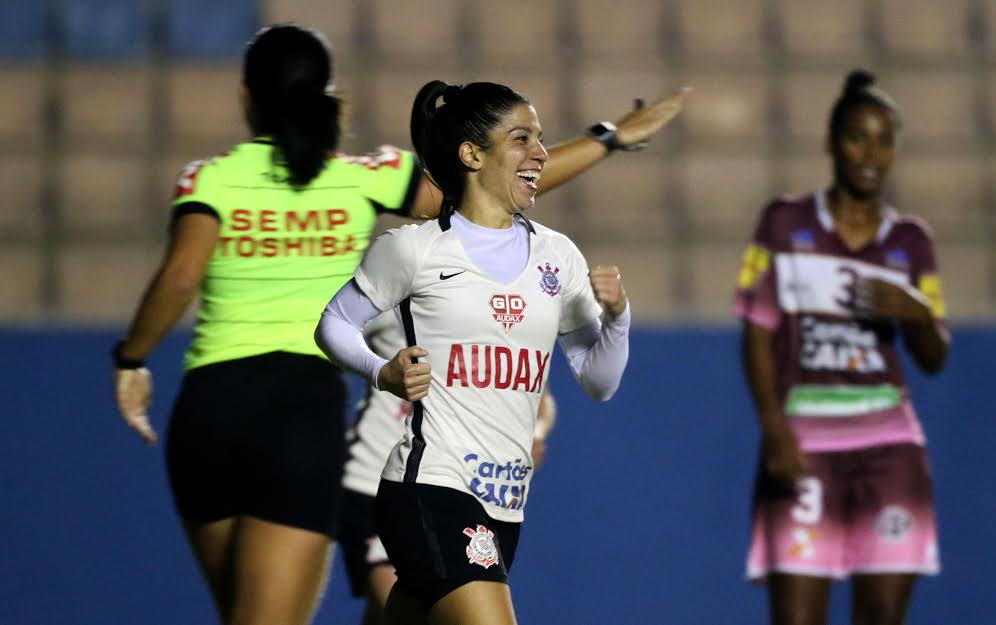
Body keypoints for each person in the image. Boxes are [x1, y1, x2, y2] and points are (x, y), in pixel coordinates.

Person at [110, 22, 686, 625]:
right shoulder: (363, 179)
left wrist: (131, 359)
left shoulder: (210, 178)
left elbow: (180, 277)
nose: (532, 155)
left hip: (211, 404)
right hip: (306, 415)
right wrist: (606, 139)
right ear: (329, 99)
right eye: (523, 142)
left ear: (247, 97)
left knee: (245, 612)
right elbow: (478, 194)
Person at [315, 79, 632, 625]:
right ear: (471, 154)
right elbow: (334, 324)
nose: (540, 154)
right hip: (429, 484)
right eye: (521, 138)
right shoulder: (415, 249)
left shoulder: (558, 256)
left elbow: (599, 381)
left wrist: (619, 318)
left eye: (540, 138)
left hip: (505, 504)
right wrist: (381, 371)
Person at [733, 69, 950, 625]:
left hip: (891, 449)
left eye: (884, 140)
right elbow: (757, 333)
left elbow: (934, 357)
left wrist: (916, 313)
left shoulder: (910, 242)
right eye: (858, 137)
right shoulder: (784, 224)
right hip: (804, 448)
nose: (871, 153)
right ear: (831, 143)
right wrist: (774, 430)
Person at [338, 309, 557, 625]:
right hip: (372, 479)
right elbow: (333, 328)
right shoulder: (389, 291)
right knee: (395, 598)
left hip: (450, 487)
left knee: (404, 610)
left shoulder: (484, 312)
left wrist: (533, 435)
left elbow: (540, 399)